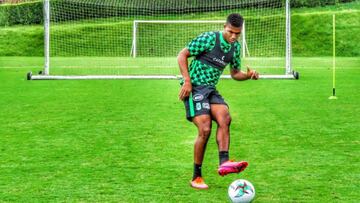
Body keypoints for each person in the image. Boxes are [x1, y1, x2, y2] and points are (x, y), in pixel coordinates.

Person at [177, 13, 259, 189]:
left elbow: (235, 73)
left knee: (225, 117)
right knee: (205, 128)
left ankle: (224, 162)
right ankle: (196, 177)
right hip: (195, 87)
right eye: (231, 32)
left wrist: (249, 75)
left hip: (210, 89)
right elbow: (182, 55)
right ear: (224, 26)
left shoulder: (235, 48)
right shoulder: (208, 39)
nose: (234, 36)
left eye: (238, 33)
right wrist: (187, 81)